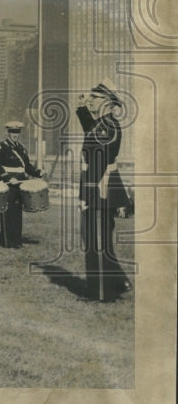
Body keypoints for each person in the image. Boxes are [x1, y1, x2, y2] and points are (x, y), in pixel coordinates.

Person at [77, 79, 131, 302]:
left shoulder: (107, 126)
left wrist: (86, 196)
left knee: (96, 241)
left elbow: (97, 164)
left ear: (108, 102)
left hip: (99, 190)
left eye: (95, 97)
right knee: (99, 240)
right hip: (102, 189)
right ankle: (118, 281)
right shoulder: (103, 125)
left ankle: (101, 293)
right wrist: (82, 109)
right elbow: (90, 130)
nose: (91, 100)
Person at [0, 120, 42, 249]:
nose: (15, 134)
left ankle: (17, 241)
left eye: (17, 132)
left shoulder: (21, 148)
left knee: (17, 212)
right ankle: (8, 241)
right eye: (13, 132)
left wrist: (38, 172)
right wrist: (8, 177)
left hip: (20, 184)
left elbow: (27, 167)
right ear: (8, 132)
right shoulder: (1, 147)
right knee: (8, 212)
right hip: (8, 184)